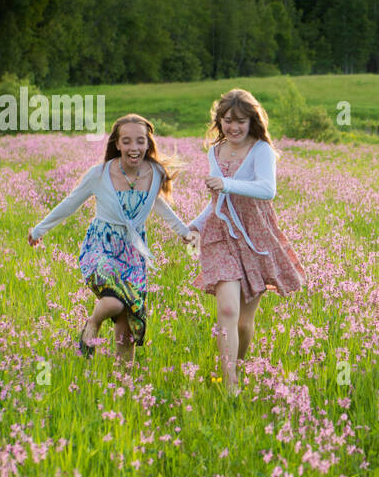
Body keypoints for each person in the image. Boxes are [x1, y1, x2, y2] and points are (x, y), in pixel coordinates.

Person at [27, 114, 194, 361]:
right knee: (115, 302)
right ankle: (92, 323)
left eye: (140, 141)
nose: (134, 148)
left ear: (148, 144)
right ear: (116, 144)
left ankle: (124, 378)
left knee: (128, 321)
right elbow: (70, 203)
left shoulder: (155, 173)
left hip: (133, 253)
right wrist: (39, 229)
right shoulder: (100, 174)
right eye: (126, 141)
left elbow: (157, 204)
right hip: (101, 247)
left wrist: (184, 232)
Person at [187, 89, 305, 393]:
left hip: (255, 235)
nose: (233, 127)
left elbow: (267, 189)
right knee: (227, 311)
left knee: (243, 322)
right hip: (221, 234)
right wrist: (197, 225)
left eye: (240, 121)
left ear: (252, 121)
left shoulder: (261, 150)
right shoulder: (214, 151)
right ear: (219, 122)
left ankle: (237, 366)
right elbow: (217, 201)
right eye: (227, 121)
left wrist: (226, 183)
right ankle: (230, 384)